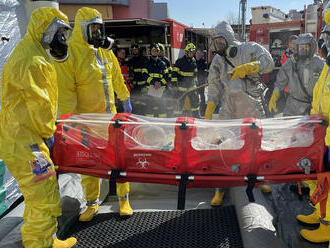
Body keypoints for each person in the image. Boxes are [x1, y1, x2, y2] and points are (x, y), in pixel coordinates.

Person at [0, 7, 77, 248]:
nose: (62, 39)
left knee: (38, 194)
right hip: (26, 139)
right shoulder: (33, 61)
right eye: (59, 33)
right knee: (43, 194)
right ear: (47, 30)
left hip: (23, 135)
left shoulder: (31, 52)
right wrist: (48, 133)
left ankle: (47, 240)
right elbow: (40, 104)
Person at [55, 7, 133, 222]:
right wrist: (71, 121)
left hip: (111, 119)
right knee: (89, 163)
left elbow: (116, 76)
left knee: (119, 160)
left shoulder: (105, 50)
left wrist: (124, 97)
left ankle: (123, 199)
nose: (98, 32)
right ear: (82, 29)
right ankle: (92, 203)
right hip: (87, 121)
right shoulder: (71, 54)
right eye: (93, 28)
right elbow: (66, 90)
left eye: (100, 28)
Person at [205, 21, 275, 206]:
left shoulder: (250, 48)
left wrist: (251, 66)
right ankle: (220, 187)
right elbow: (214, 84)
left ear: (228, 39)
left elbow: (268, 63)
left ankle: (260, 179)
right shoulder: (218, 60)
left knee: (256, 143)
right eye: (215, 43)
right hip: (229, 104)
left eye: (220, 41)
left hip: (251, 101)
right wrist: (211, 104)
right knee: (222, 144)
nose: (218, 46)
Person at [295, 4, 330, 243]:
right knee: (323, 178)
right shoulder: (328, 65)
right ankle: (322, 217)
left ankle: (328, 228)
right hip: (323, 132)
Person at [268, 33, 324, 116]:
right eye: (301, 47)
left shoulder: (319, 63)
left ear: (312, 47)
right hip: (293, 108)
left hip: (314, 107)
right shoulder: (290, 64)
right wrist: (275, 95)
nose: (303, 49)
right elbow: (280, 83)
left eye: (306, 47)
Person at [171, 43, 200, 118]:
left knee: (195, 101)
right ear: (186, 52)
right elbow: (174, 74)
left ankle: (196, 116)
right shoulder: (180, 61)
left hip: (191, 86)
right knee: (179, 103)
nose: (191, 54)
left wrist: (196, 83)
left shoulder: (193, 61)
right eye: (190, 53)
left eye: (192, 53)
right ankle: (176, 118)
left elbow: (195, 73)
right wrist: (174, 85)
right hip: (181, 87)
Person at [143, 43, 169, 117]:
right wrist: (153, 82)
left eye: (156, 50)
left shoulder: (163, 64)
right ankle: (149, 125)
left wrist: (160, 83)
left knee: (162, 110)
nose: (155, 52)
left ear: (158, 52)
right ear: (150, 52)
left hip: (161, 91)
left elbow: (166, 76)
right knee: (149, 110)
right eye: (153, 50)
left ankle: (162, 124)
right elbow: (144, 75)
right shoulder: (146, 63)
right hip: (150, 91)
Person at [195, 49, 208, 116]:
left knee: (202, 97)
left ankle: (203, 111)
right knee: (195, 97)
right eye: (197, 53)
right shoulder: (193, 61)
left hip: (201, 82)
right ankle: (196, 111)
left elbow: (205, 72)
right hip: (194, 83)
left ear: (201, 55)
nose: (198, 55)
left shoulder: (203, 62)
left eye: (199, 54)